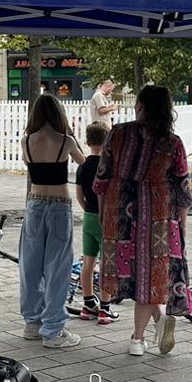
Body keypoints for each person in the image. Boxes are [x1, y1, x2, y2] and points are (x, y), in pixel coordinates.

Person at [94, 85, 192, 357]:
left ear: (140, 106)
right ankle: (149, 330)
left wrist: (104, 215)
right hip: (159, 216)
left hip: (120, 212)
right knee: (151, 276)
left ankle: (146, 333)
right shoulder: (172, 142)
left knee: (134, 275)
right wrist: (181, 224)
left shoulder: (119, 133)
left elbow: (101, 178)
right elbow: (183, 188)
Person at [18, 94, 85, 349]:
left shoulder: (26, 142)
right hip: (59, 206)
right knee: (58, 268)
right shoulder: (65, 141)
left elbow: (30, 165)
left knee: (30, 266)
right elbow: (84, 163)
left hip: (34, 204)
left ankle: (31, 323)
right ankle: (53, 329)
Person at [75, 121, 114, 325]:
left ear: (88, 141)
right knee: (107, 263)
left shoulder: (82, 166)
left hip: (88, 216)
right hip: (105, 218)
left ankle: (88, 303)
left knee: (88, 261)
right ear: (107, 140)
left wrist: (87, 209)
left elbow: (79, 195)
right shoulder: (107, 165)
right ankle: (105, 308)